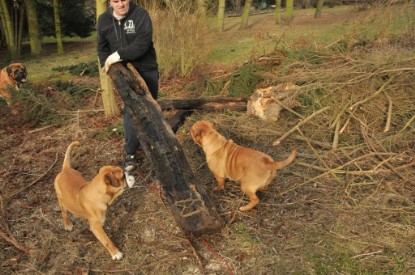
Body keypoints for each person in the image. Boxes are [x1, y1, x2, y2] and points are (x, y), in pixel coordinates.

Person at [97, 0, 159, 172]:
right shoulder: (103, 20)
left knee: (150, 108)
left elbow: (142, 44)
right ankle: (131, 151)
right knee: (129, 111)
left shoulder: (140, 15)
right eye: (116, 1)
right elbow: (101, 47)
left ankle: (155, 146)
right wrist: (107, 63)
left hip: (147, 69)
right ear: (110, 2)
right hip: (122, 72)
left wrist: (117, 54)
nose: (121, 4)